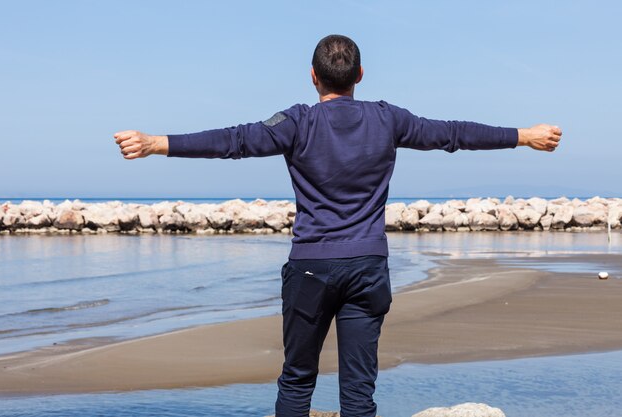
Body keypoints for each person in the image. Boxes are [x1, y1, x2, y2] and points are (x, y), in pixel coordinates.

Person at [114, 34, 562, 417]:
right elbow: (452, 133)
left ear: (313, 76)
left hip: (311, 267)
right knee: (358, 389)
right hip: (368, 267)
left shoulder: (297, 121)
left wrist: (157, 143)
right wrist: (523, 135)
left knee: (297, 379)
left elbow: (234, 141)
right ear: (360, 75)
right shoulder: (387, 118)